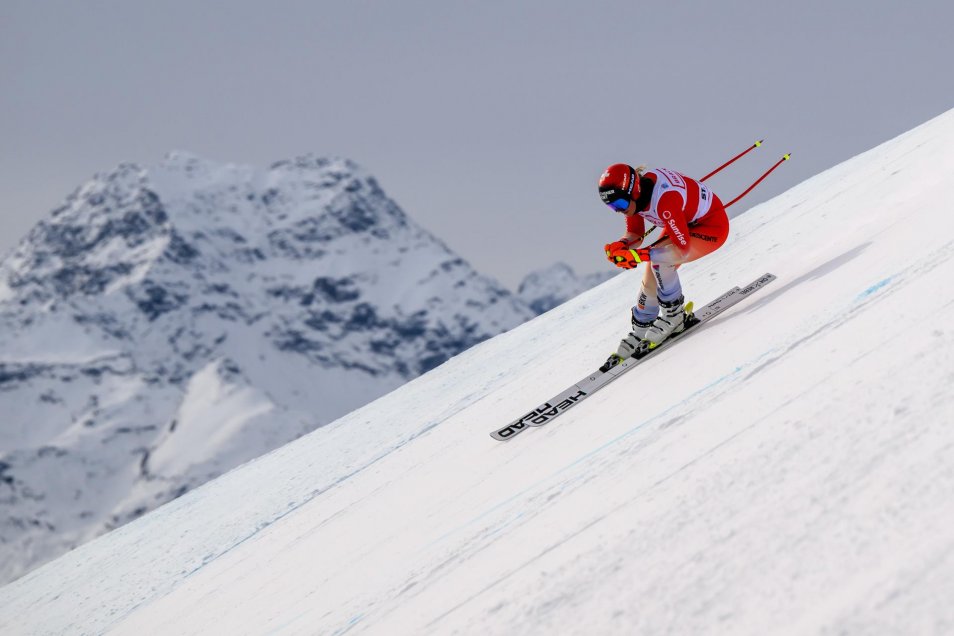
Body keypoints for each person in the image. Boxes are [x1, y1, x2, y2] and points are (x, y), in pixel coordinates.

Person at [598, 163, 730, 359]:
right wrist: (623, 245)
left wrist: (639, 255)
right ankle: (643, 325)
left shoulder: (665, 200)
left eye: (621, 205)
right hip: (682, 222)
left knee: (660, 260)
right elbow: (636, 233)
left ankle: (674, 315)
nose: (620, 211)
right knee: (653, 265)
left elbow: (682, 249)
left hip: (711, 228)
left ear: (633, 192)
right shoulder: (637, 196)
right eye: (612, 207)